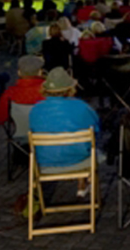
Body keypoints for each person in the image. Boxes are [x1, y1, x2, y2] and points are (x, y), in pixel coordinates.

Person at [28, 68, 101, 197]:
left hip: (45, 162)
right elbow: (96, 128)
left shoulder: (36, 110)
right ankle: (83, 183)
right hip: (78, 160)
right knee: (90, 146)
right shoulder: (82, 107)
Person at [0, 55, 46, 125]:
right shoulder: (48, 92)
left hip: (19, 132)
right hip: (44, 131)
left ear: (19, 72)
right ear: (40, 72)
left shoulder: (9, 94)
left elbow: (1, 119)